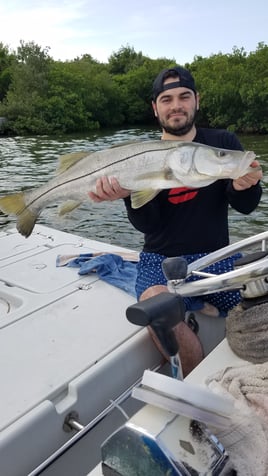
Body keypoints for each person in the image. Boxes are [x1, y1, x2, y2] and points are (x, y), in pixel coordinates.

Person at [88, 66, 262, 375]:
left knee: (260, 308)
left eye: (184, 96)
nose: (176, 105)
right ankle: (197, 385)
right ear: (155, 108)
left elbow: (247, 207)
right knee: (157, 310)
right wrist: (127, 194)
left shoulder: (221, 143)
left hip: (216, 257)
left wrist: (242, 185)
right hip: (160, 259)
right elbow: (148, 226)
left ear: (197, 100)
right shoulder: (140, 157)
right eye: (166, 99)